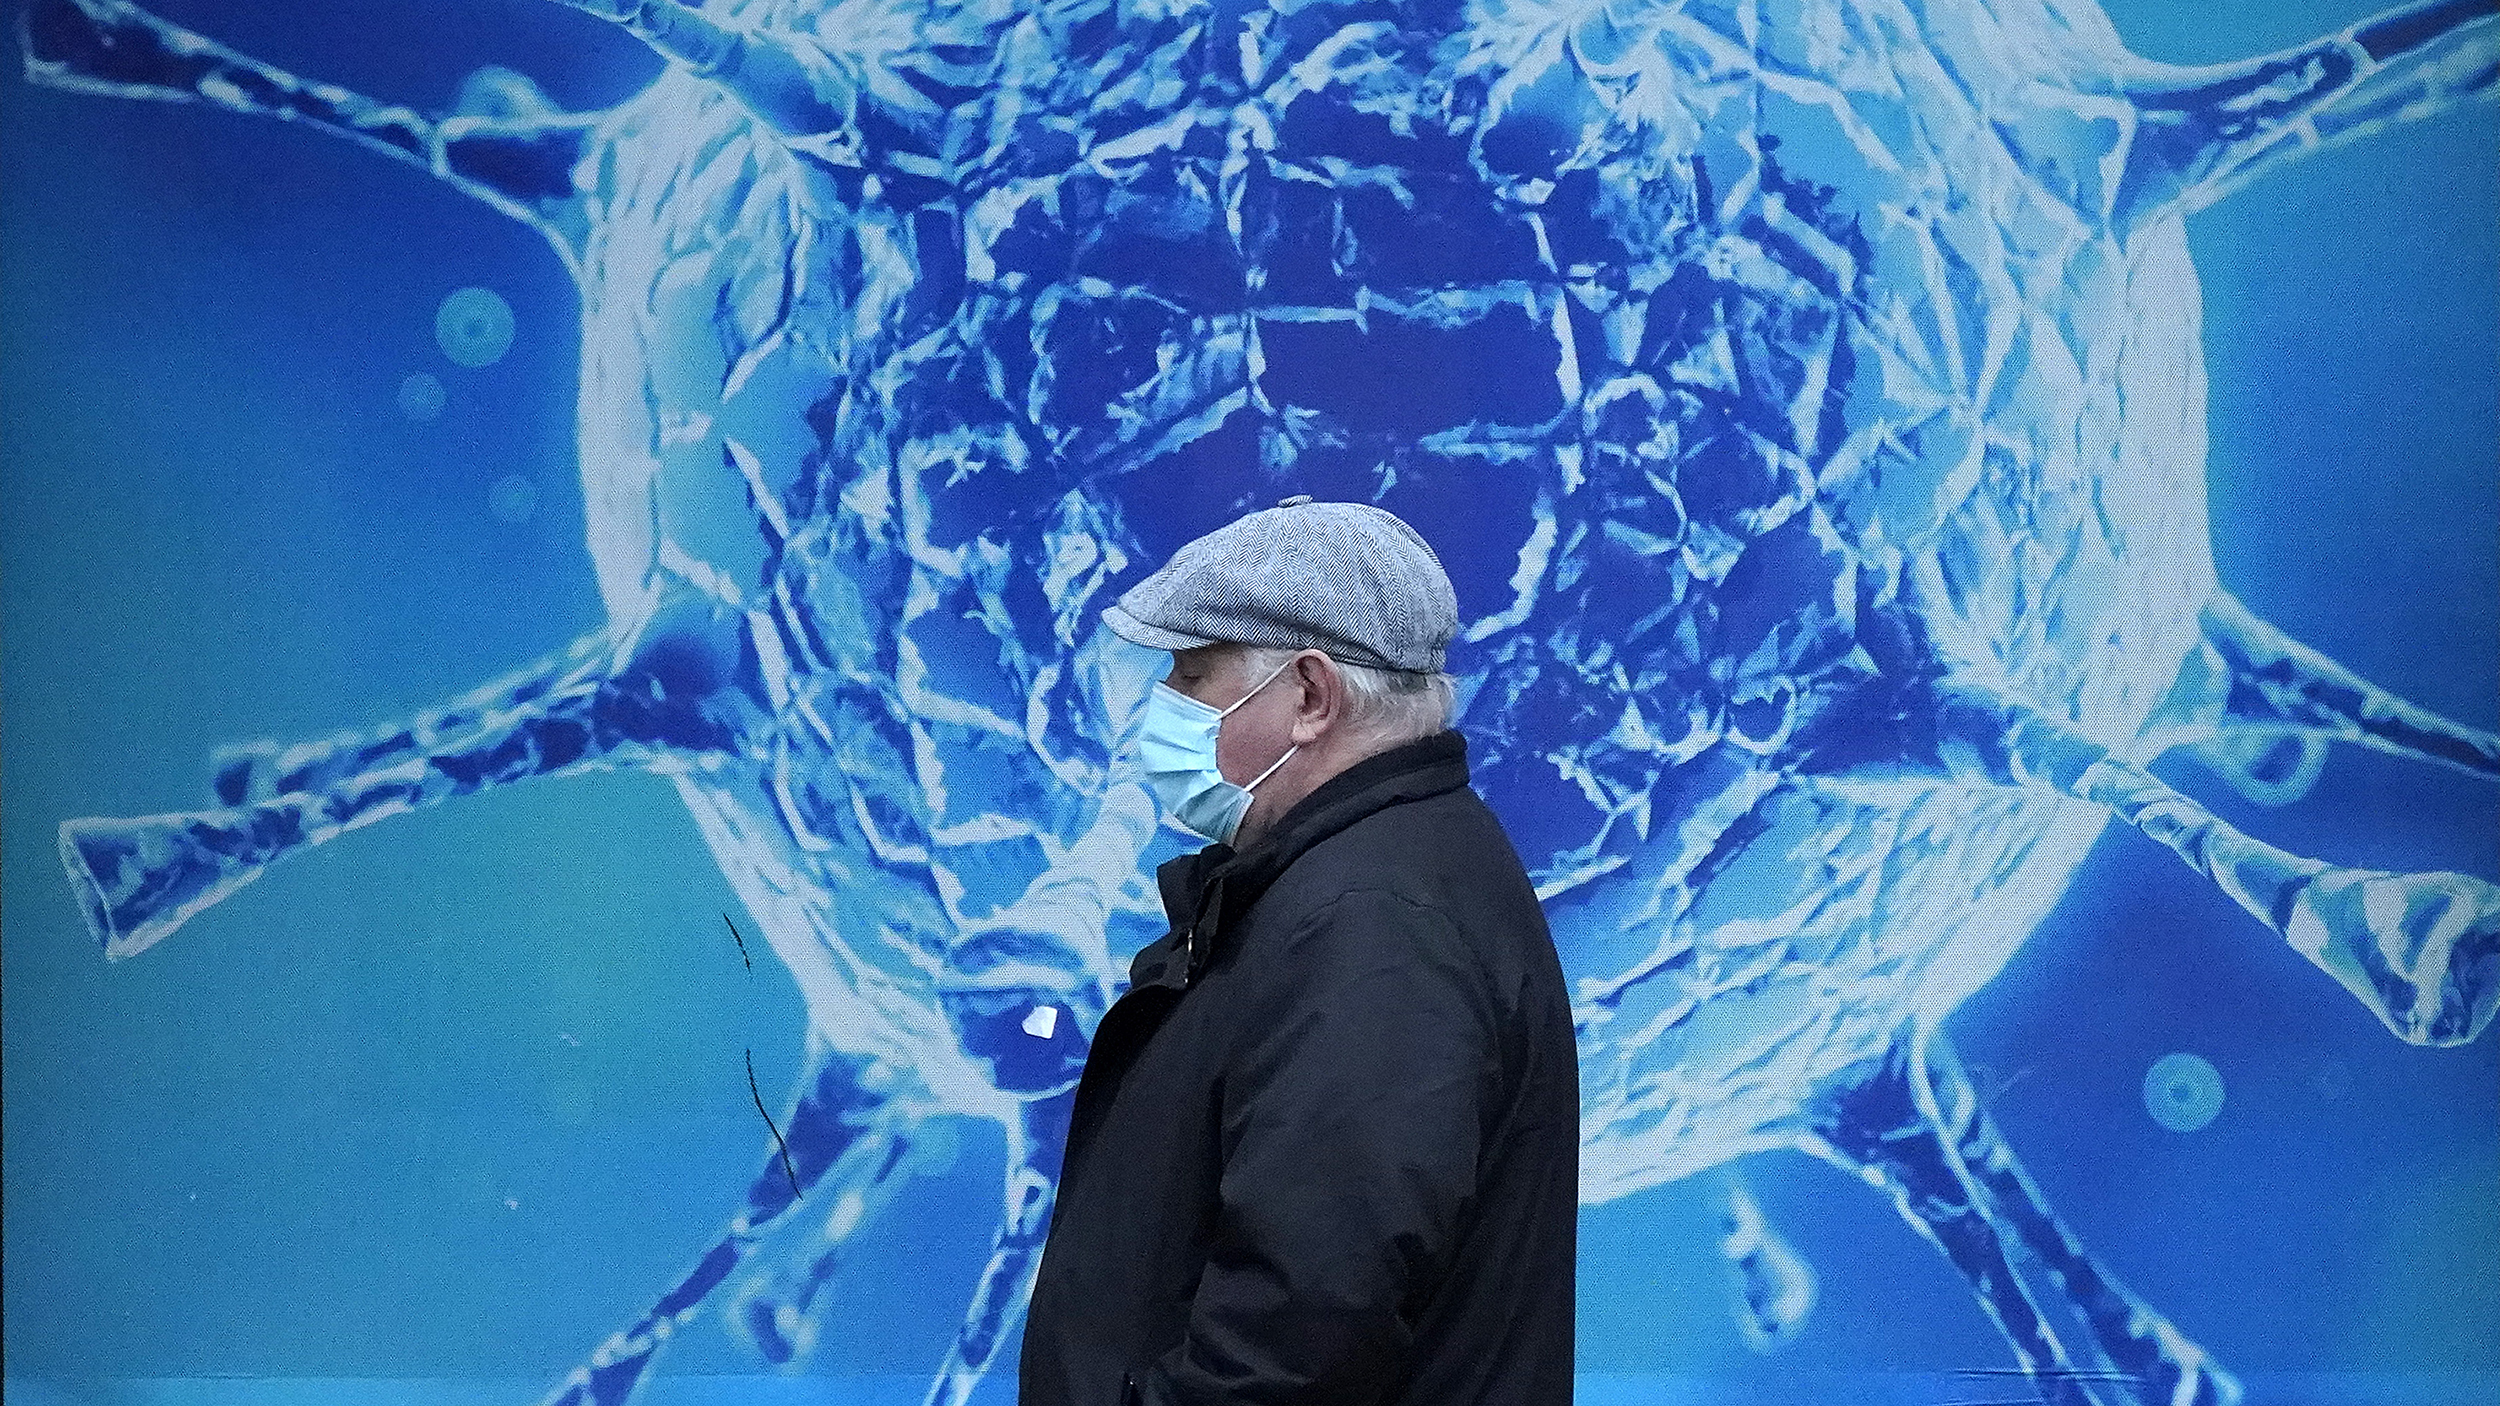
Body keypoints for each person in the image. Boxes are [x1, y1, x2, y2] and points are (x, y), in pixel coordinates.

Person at [1019, 495, 1580, 1406]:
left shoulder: (1374, 932)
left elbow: (1293, 1347)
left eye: (1194, 676)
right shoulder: (1366, 885)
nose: (1161, 710)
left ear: (1310, 698)